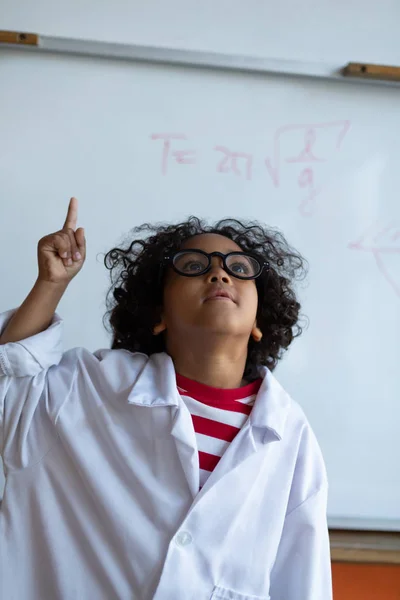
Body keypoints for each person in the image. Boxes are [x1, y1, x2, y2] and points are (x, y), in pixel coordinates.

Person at [0, 197, 332, 600]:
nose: (219, 275)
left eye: (239, 269)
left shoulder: (288, 434)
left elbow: (301, 582)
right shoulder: (91, 387)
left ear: (259, 321)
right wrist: (51, 284)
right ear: (158, 314)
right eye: (194, 266)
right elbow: (13, 386)